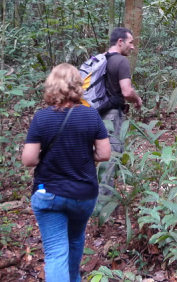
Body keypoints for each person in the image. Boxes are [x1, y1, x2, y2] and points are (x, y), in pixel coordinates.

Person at [22, 64, 112, 282]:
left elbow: (29, 159)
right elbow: (104, 153)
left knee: (56, 252)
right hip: (83, 194)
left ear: (52, 86)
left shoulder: (42, 118)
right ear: (78, 86)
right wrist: (82, 153)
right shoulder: (91, 116)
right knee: (74, 241)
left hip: (49, 193)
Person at [98, 27, 143, 196]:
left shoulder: (99, 59)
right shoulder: (121, 62)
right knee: (111, 155)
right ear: (120, 42)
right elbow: (126, 91)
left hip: (93, 113)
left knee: (95, 154)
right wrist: (137, 100)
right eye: (130, 42)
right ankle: (103, 200)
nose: (132, 47)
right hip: (111, 115)